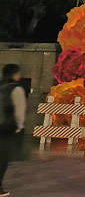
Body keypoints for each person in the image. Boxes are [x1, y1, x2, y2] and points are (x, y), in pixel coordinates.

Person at [0, 64, 26, 197]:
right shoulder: (16, 89)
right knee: (2, 158)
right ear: (15, 74)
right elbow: (19, 110)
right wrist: (19, 126)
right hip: (6, 128)